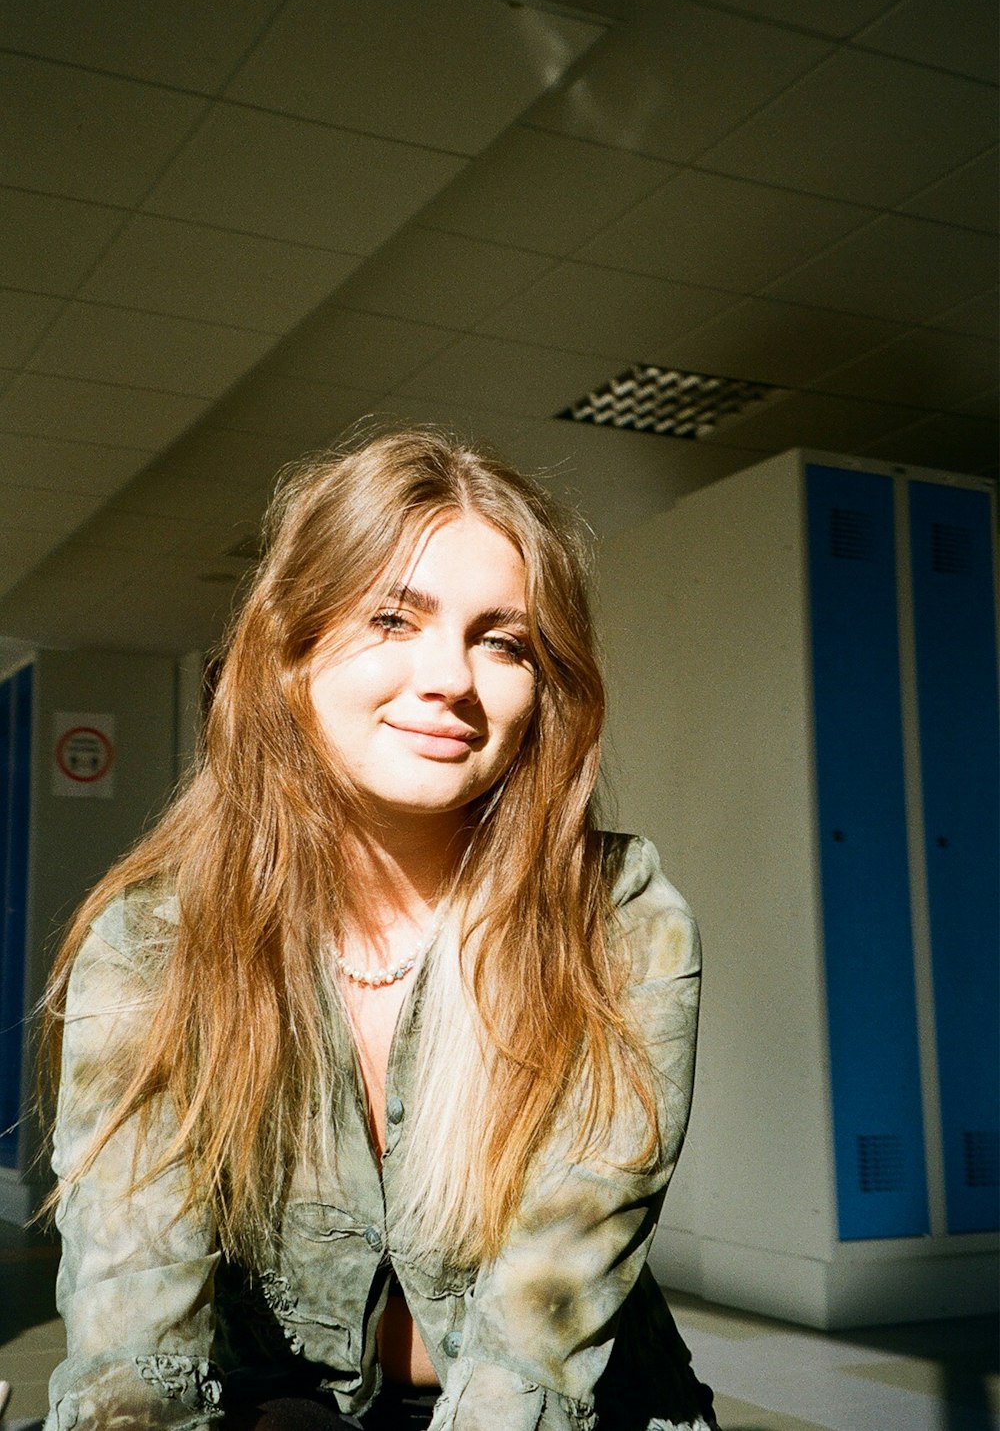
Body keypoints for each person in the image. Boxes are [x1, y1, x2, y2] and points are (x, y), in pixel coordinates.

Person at [41, 426, 717, 1431]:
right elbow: (132, 1333)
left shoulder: (616, 920)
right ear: (291, 653)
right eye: (393, 619)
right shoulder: (156, 942)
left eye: (503, 640)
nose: (451, 677)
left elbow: (540, 1329)